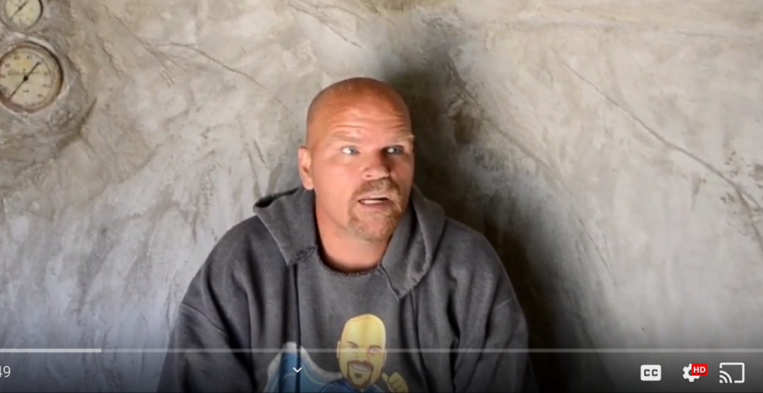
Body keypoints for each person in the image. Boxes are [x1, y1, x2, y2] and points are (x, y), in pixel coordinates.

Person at [158, 77, 536, 392]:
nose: (378, 170)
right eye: (350, 150)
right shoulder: (242, 265)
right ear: (307, 168)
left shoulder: (466, 270)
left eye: (395, 149)